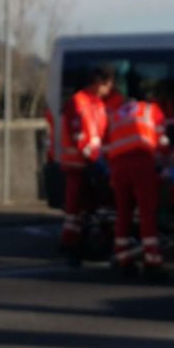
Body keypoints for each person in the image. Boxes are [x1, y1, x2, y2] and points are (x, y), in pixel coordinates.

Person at [105, 90, 168, 279]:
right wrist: (166, 158)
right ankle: (152, 260)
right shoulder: (152, 110)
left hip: (117, 166)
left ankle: (123, 258)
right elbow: (162, 140)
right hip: (141, 162)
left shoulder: (116, 114)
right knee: (146, 212)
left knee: (123, 212)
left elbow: (107, 144)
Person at [59, 66, 117, 264]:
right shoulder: (77, 102)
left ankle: (87, 245)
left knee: (93, 209)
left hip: (91, 164)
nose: (110, 90)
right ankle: (70, 246)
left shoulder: (98, 105)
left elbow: (101, 135)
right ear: (99, 83)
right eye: (108, 85)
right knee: (74, 210)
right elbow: (80, 137)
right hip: (77, 166)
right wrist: (96, 159)